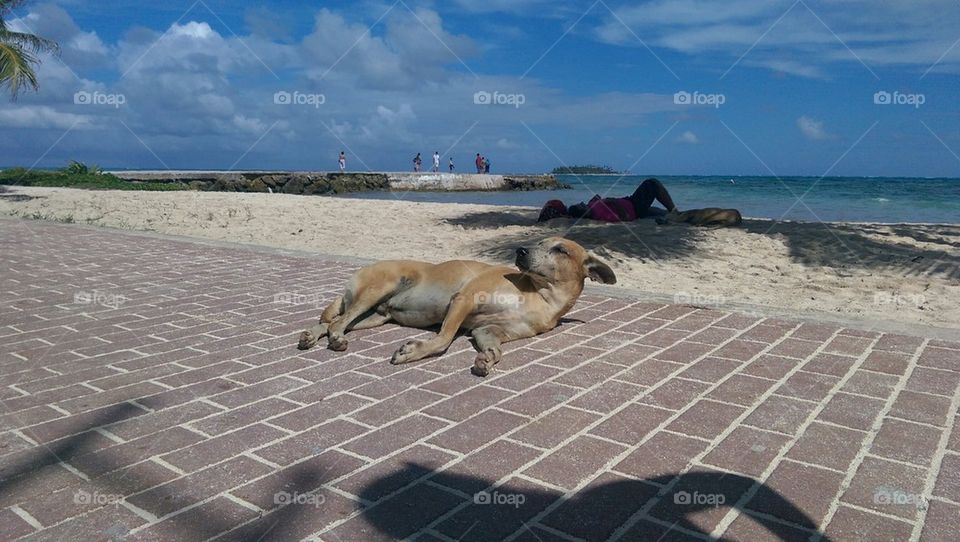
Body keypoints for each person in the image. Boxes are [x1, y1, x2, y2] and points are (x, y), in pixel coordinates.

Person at [537, 178, 678, 222]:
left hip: (630, 202)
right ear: (584, 212)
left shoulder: (591, 207)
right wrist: (612, 202)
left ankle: (674, 214)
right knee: (652, 184)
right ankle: (674, 210)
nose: (582, 203)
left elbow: (596, 199)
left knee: (662, 214)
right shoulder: (599, 214)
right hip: (634, 207)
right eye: (581, 206)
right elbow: (624, 217)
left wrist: (596, 201)